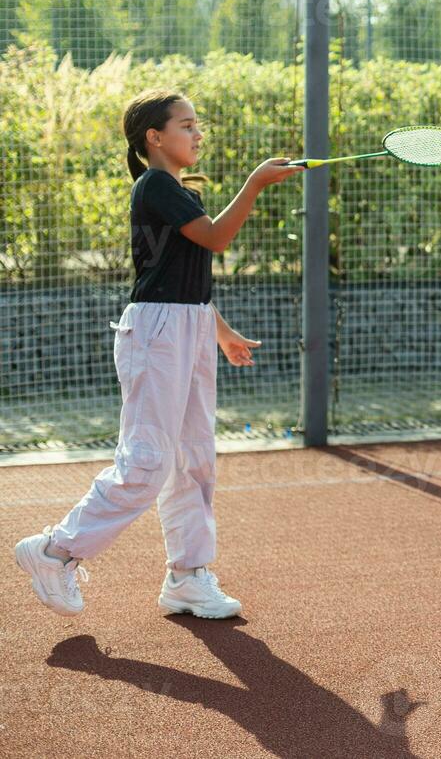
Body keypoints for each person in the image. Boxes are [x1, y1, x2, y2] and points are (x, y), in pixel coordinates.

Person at [14, 89, 299, 617]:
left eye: (197, 124)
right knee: (146, 461)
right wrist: (256, 182)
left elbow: (183, 278)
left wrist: (220, 331)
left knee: (194, 459)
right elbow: (214, 240)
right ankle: (55, 550)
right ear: (155, 136)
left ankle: (189, 576)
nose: (197, 133)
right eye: (187, 125)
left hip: (187, 324)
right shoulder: (155, 186)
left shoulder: (177, 189)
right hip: (157, 334)